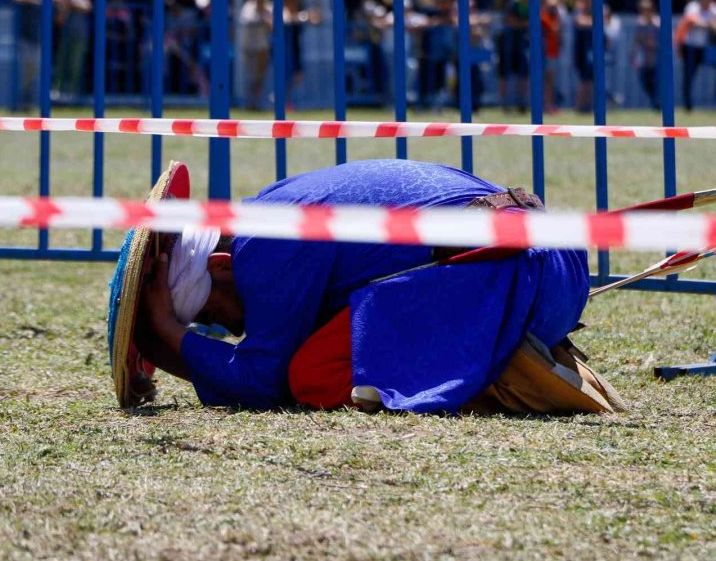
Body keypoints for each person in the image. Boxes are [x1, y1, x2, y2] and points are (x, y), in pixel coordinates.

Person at [137, 159, 594, 413]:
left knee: (313, 375)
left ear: (220, 265)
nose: (228, 330)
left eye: (212, 314)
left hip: (522, 275)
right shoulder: (266, 210)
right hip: (553, 267)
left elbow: (263, 382)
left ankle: (491, 376)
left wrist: (167, 335)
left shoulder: (262, 247)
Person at [53, 0, 91, 99]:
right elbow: (59, 21)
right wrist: (66, 6)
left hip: (79, 37)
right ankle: (58, 90)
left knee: (75, 65)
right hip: (65, 37)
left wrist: (70, 2)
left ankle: (72, 93)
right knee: (61, 64)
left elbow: (87, 7)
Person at [677, 0, 716, 111]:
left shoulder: (713, 9)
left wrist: (709, 25)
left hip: (706, 47)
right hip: (690, 46)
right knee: (688, 75)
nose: (706, 2)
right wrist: (709, 25)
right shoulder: (692, 7)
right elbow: (691, 22)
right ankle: (688, 104)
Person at [239, 0, 273, 109]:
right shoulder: (248, 7)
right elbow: (247, 21)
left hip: (262, 48)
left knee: (260, 78)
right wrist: (262, 20)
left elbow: (272, 26)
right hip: (249, 47)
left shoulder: (269, 9)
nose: (260, 2)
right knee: (249, 76)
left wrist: (265, 20)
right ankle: (248, 102)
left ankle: (257, 102)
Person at [12, 0, 43, 110]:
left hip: (37, 41)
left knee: (31, 75)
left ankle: (27, 103)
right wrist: (34, 0)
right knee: (23, 75)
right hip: (24, 40)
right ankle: (19, 103)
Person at [632, 0, 659, 109]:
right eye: (642, 9)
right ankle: (655, 102)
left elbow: (667, 40)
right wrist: (633, 54)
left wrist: (653, 44)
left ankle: (657, 104)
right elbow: (636, 40)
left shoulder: (658, 23)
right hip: (644, 58)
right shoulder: (640, 23)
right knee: (645, 82)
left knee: (657, 83)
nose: (645, 11)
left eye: (647, 9)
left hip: (657, 58)